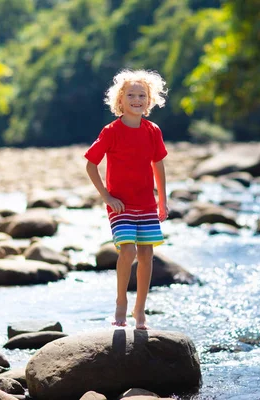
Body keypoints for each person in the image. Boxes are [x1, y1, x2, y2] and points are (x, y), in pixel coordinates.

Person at [84, 69, 169, 330]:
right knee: (128, 250)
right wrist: (107, 197)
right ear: (120, 100)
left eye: (142, 95)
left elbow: (158, 165)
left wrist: (162, 200)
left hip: (146, 203)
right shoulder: (111, 131)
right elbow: (90, 165)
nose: (136, 99)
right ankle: (121, 302)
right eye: (130, 94)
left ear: (149, 100)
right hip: (120, 204)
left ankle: (139, 310)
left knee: (147, 254)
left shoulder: (152, 130)